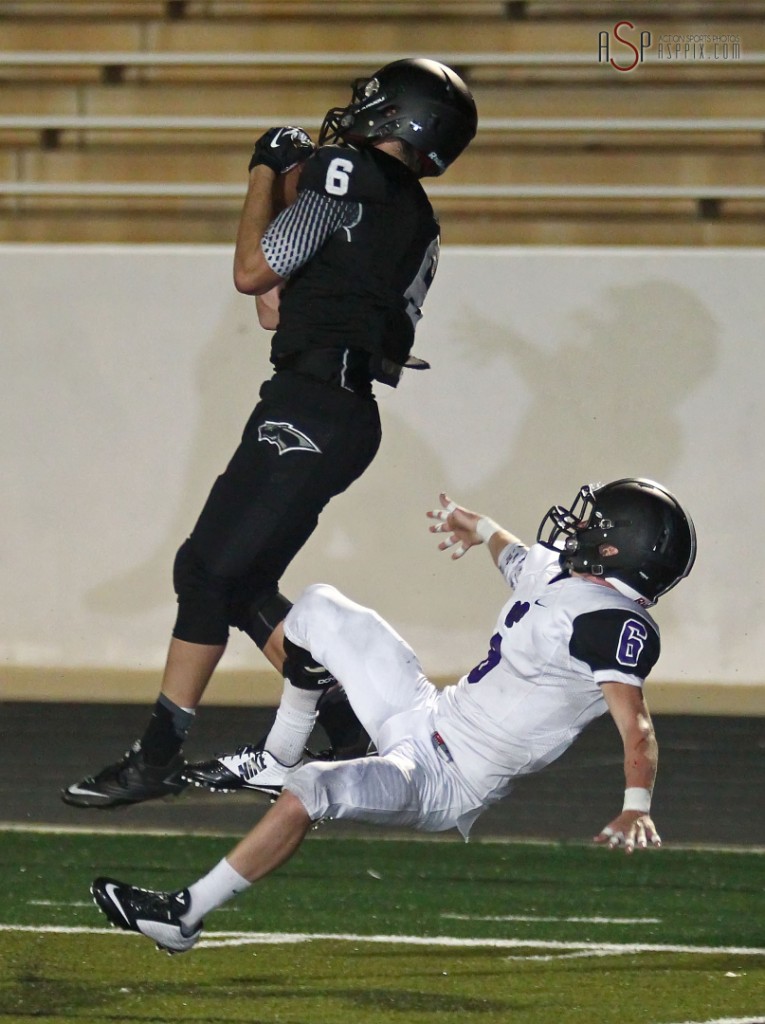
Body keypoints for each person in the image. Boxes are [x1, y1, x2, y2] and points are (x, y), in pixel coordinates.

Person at [61, 58, 478, 809]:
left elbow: (254, 274)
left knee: (203, 571)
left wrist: (264, 172)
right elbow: (281, 306)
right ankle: (350, 731)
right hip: (338, 409)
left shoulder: (346, 174)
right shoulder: (417, 220)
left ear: (396, 115)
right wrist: (295, 186)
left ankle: (156, 755)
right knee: (240, 579)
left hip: (311, 405)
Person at [91, 477, 697, 952]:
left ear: (623, 547)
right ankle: (276, 753)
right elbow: (513, 554)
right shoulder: (561, 575)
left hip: (448, 779)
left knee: (313, 789)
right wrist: (477, 525)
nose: (577, 526)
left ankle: (184, 915)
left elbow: (634, 724)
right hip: (426, 712)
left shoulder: (613, 624)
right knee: (321, 609)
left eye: (596, 523)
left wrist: (635, 806)